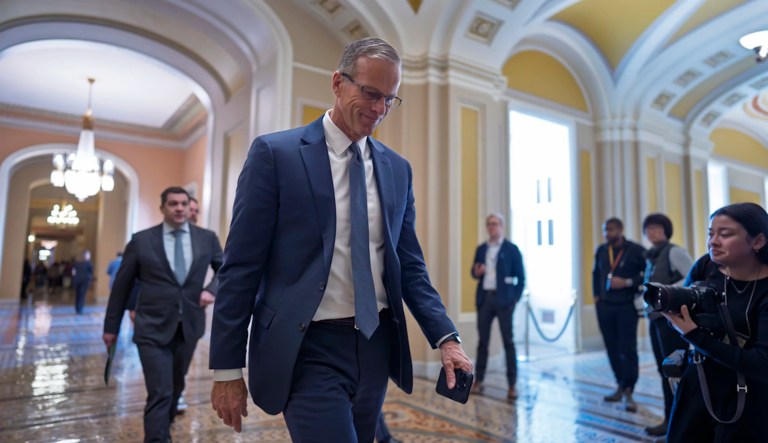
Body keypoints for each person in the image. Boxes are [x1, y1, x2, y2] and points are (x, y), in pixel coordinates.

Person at [209, 37, 473, 442]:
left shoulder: (397, 170)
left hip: (375, 345)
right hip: (306, 347)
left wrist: (447, 338)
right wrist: (227, 368)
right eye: (370, 93)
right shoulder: (276, 155)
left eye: (390, 99)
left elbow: (410, 266)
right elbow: (241, 266)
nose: (379, 109)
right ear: (337, 83)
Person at [103, 186, 223, 443]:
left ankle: (163, 429)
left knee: (176, 386)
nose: (179, 208)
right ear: (163, 208)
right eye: (173, 204)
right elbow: (121, 287)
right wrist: (110, 327)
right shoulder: (141, 240)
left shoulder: (206, 238)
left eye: (183, 203)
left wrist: (211, 290)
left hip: (189, 326)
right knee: (160, 391)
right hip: (151, 328)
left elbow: (226, 269)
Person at [663, 203, 768, 442]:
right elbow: (680, 316)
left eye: (725, 234)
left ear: (758, 241)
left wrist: (694, 335)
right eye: (711, 233)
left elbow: (762, 364)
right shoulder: (706, 266)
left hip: (750, 393)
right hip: (698, 380)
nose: (713, 242)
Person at [641, 213, 694, 436]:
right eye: (648, 229)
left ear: (666, 230)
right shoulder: (651, 256)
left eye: (656, 228)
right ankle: (670, 418)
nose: (652, 232)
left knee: (675, 370)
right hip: (656, 320)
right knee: (664, 371)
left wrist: (666, 291)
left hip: (671, 321)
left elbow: (693, 275)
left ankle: (682, 422)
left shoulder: (674, 251)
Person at [592, 217, 646, 412]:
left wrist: (628, 282)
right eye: (605, 230)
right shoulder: (601, 250)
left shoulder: (636, 250)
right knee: (612, 347)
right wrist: (597, 298)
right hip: (605, 306)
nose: (608, 233)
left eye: (612, 229)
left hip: (626, 306)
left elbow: (647, 273)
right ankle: (620, 384)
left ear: (621, 229)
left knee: (627, 348)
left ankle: (630, 388)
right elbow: (595, 274)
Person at [470, 213, 525, 399]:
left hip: (504, 302)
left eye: (495, 224)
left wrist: (514, 299)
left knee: (508, 342)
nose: (492, 227)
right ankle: (479, 380)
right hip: (485, 299)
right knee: (482, 342)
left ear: (502, 226)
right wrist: (477, 272)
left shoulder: (512, 249)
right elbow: (473, 271)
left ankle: (512, 385)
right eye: (489, 224)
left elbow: (521, 278)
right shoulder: (481, 249)